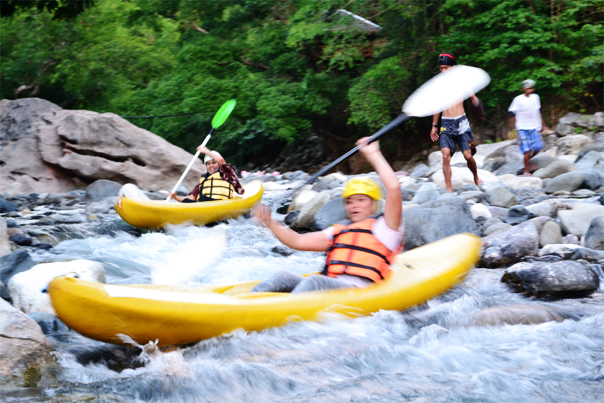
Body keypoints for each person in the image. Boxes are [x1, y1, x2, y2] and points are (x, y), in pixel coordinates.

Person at [251, 137, 404, 294]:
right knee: (281, 276)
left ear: (374, 204)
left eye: (361, 200)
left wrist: (373, 153)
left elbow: (393, 187)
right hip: (331, 285)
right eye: (350, 201)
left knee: (314, 281)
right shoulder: (339, 231)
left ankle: (283, 315)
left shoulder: (387, 227)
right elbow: (297, 240)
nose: (354, 205)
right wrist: (270, 221)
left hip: (357, 291)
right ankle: (247, 305)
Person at [429, 52, 482, 192]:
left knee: (468, 156)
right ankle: (449, 189)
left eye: (446, 67)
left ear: (454, 67)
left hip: (462, 123)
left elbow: (473, 98)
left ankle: (476, 177)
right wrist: (434, 125)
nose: (443, 71)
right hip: (446, 124)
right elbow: (437, 106)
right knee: (445, 155)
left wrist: (476, 104)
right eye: (441, 68)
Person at [168, 146, 244, 202]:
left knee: (203, 198)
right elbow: (191, 198)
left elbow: (221, 160)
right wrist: (175, 197)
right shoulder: (203, 181)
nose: (211, 166)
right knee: (187, 202)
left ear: (218, 164)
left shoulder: (226, 172)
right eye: (208, 164)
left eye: (214, 163)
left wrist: (206, 151)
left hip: (221, 204)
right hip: (204, 205)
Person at [508, 79, 551, 176]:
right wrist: (512, 129)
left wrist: (543, 125)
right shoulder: (518, 99)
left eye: (531, 88)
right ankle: (526, 170)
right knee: (526, 150)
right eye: (527, 88)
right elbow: (511, 114)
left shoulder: (535, 97)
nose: (529, 90)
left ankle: (528, 160)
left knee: (538, 147)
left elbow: (538, 111)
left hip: (534, 126)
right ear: (523, 89)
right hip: (522, 127)